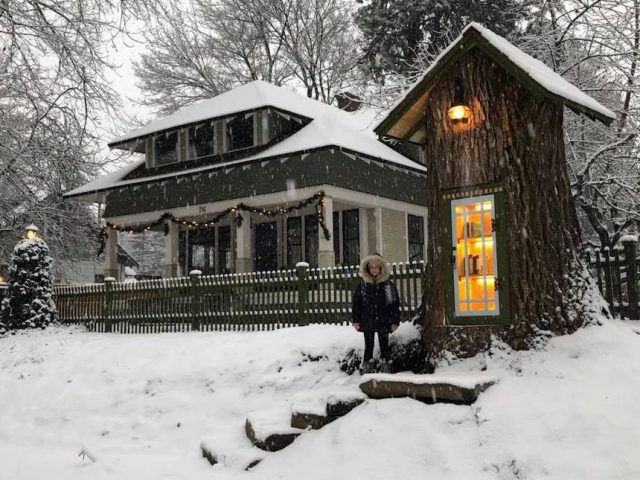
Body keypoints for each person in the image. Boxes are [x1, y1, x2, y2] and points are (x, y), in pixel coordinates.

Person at [351, 253, 400, 373]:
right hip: (367, 320)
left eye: (376, 267)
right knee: (369, 345)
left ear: (381, 268)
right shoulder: (363, 286)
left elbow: (394, 304)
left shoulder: (388, 286)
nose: (374, 270)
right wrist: (356, 320)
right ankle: (367, 367)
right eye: (371, 267)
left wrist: (395, 321)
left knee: (384, 345)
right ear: (367, 268)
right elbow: (356, 304)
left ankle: (386, 367)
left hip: (384, 320)